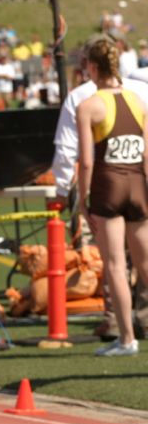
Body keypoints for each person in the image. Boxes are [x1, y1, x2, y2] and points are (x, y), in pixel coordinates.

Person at [51, 34, 148, 342]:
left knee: (116, 266)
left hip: (108, 186)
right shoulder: (139, 98)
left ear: (91, 67)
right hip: (137, 184)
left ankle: (125, 337)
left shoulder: (86, 102)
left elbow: (85, 160)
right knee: (146, 263)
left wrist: (82, 198)